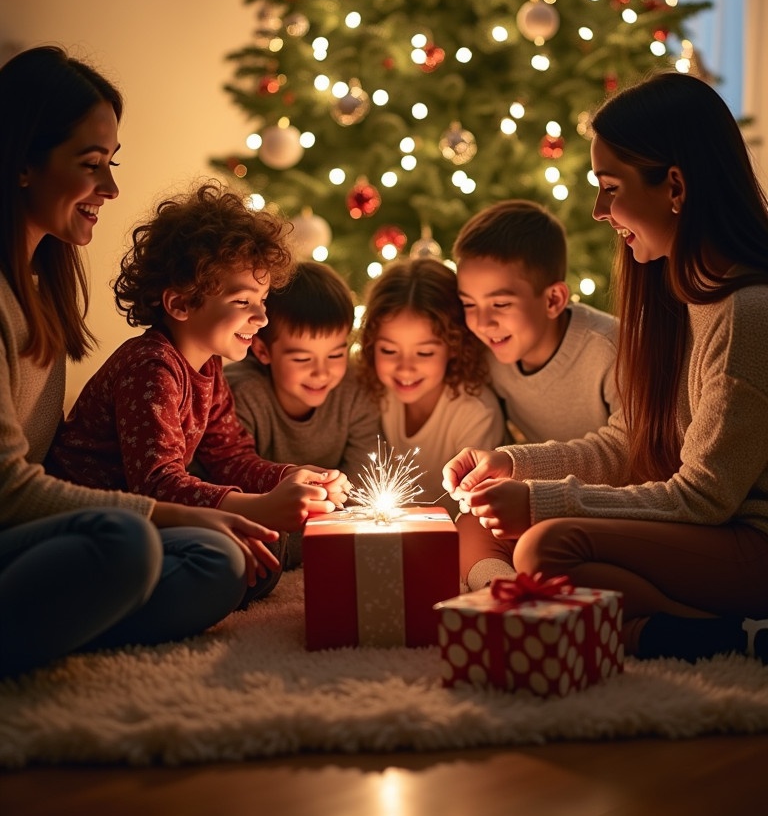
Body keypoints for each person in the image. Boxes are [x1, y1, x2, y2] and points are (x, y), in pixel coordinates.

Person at [444, 71, 768, 663]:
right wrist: (511, 463)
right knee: (490, 530)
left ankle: (725, 639)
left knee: (547, 547)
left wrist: (542, 503)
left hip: (747, 542)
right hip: (708, 533)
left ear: (675, 186)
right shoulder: (679, 295)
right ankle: (651, 629)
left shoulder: (745, 313)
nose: (598, 211)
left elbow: (704, 499)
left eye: (609, 186)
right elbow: (630, 442)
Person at [0, 46, 282, 678]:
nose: (111, 187)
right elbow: (10, 490)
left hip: (49, 534)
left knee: (227, 559)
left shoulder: (42, 290)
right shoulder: (146, 362)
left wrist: (263, 502)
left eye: (112, 164)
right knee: (127, 544)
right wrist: (206, 511)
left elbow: (230, 454)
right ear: (23, 163)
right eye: (91, 164)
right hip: (38, 530)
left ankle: (66, 620)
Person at [48, 182, 348, 603]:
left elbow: (230, 457)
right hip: (98, 526)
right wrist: (260, 508)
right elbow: (155, 485)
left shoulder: (208, 366)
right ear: (181, 304)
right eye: (244, 301)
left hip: (154, 518)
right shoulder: (150, 366)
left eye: (262, 299)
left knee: (264, 556)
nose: (262, 317)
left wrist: (294, 477)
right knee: (233, 559)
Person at [225, 260, 380, 566]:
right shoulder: (242, 395)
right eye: (302, 358)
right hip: (259, 520)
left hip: (328, 519)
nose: (321, 372)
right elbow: (232, 492)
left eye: (336, 354)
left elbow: (361, 488)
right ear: (263, 351)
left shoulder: (356, 391)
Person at [453, 199, 619, 447]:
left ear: (553, 300)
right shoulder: (487, 356)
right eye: (469, 304)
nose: (482, 323)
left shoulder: (611, 351)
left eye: (500, 304)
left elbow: (630, 451)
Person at [358, 257, 505, 517]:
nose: (405, 368)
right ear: (371, 344)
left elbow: (472, 514)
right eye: (389, 350)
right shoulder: (375, 391)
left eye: (424, 353)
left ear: (454, 347)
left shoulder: (475, 413)